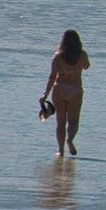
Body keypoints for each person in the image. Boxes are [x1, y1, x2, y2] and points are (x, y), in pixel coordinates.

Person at [38, 29, 90, 158]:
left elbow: (52, 77)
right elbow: (86, 66)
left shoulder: (58, 57)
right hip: (75, 89)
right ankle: (70, 140)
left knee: (60, 122)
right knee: (73, 121)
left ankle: (61, 150)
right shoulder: (82, 55)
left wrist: (45, 95)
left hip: (59, 88)